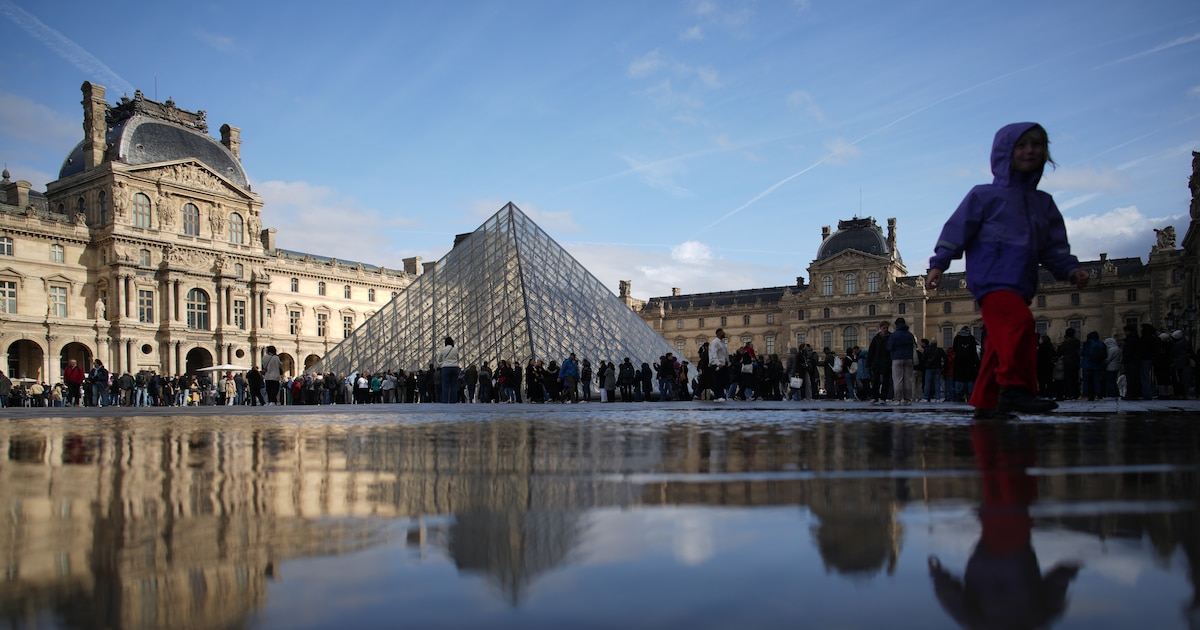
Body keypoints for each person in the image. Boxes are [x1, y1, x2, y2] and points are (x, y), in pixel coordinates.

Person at [926, 123, 1088, 418]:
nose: (1029, 150)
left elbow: (1054, 248)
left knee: (999, 346)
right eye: (1021, 145)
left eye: (1036, 145)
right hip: (990, 278)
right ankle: (1016, 389)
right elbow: (956, 230)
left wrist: (1070, 269)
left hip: (1021, 282)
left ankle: (988, 404)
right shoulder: (983, 196)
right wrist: (939, 263)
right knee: (1021, 326)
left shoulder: (1043, 203)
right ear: (1004, 153)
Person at [887, 317, 917, 405]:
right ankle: (907, 399)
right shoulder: (910, 335)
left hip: (897, 358)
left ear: (896, 324)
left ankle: (897, 398)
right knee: (908, 379)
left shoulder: (894, 335)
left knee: (897, 379)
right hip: (908, 358)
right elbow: (914, 346)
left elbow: (889, 347)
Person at [436, 337, 460, 404]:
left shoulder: (442, 349)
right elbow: (458, 358)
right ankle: (453, 401)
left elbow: (438, 360)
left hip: (446, 367)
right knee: (454, 386)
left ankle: (445, 401)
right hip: (455, 367)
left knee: (445, 385)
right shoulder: (455, 349)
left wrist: (442, 364)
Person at [708, 328, 730, 402]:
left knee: (722, 380)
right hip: (717, 364)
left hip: (722, 364)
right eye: (723, 332)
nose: (724, 334)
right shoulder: (715, 342)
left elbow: (724, 354)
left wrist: (728, 362)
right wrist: (718, 363)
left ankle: (720, 395)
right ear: (719, 333)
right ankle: (717, 396)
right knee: (717, 380)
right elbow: (714, 353)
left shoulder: (722, 343)